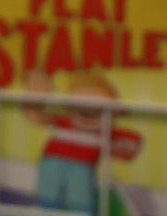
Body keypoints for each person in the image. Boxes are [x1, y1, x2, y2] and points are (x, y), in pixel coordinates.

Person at [23, 70, 142, 213]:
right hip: (52, 161)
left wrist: (112, 145)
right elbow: (38, 118)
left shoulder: (105, 129)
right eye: (80, 104)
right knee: (47, 195)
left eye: (96, 107)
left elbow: (133, 141)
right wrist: (34, 98)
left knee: (80, 200)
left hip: (82, 166)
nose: (88, 110)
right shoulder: (66, 121)